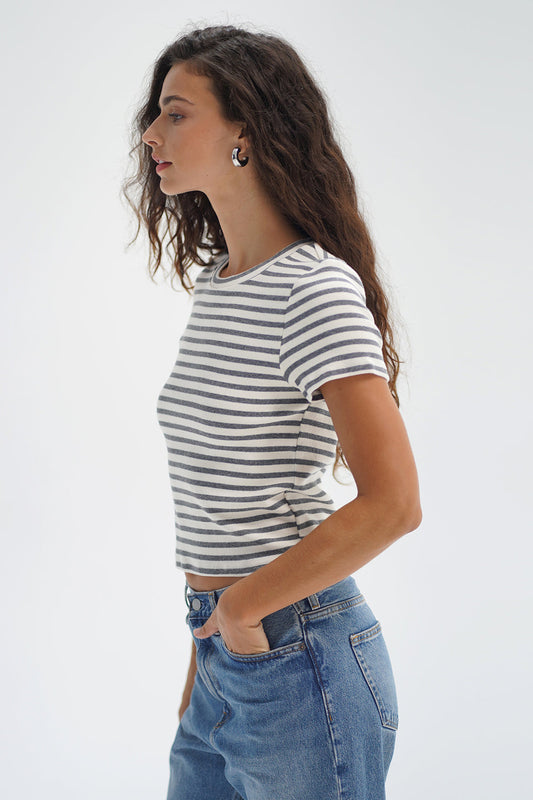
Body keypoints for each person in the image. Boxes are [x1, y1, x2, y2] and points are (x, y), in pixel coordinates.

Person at [122, 23, 422, 800]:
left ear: (244, 133)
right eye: (157, 114)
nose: (151, 133)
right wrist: (209, 650)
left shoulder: (311, 288)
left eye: (176, 112)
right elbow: (217, 504)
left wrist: (245, 611)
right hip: (226, 656)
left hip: (296, 656)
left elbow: (393, 503)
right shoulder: (223, 284)